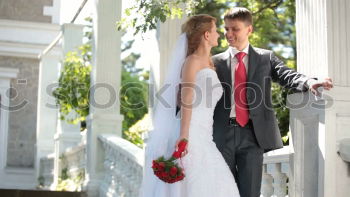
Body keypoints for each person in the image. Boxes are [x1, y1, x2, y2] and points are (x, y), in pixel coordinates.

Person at [212, 7, 333, 197]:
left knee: (250, 192)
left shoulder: (265, 57)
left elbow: (286, 75)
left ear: (249, 29)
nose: (228, 34)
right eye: (226, 29)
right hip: (221, 133)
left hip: (253, 134)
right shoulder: (214, 62)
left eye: (234, 29)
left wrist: (309, 82)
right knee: (221, 191)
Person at [139, 14, 240, 197]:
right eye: (215, 30)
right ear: (207, 35)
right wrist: (184, 135)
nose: (219, 34)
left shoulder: (209, 64)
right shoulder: (192, 61)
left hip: (204, 133)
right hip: (190, 131)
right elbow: (186, 99)